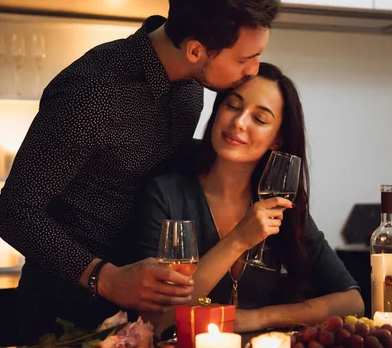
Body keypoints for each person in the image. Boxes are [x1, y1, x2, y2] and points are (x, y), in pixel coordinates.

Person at [0, 0, 280, 343]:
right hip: (66, 308)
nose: (253, 69)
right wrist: (108, 278)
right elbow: (14, 213)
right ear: (195, 51)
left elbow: (161, 163)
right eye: (244, 59)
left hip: (148, 309)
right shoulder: (92, 92)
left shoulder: (191, 85)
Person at [136, 63, 364, 333]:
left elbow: (352, 302)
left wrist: (260, 318)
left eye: (260, 119)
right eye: (233, 105)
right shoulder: (166, 195)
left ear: (276, 140)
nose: (239, 122)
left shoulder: (282, 207)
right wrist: (238, 240)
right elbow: (155, 320)